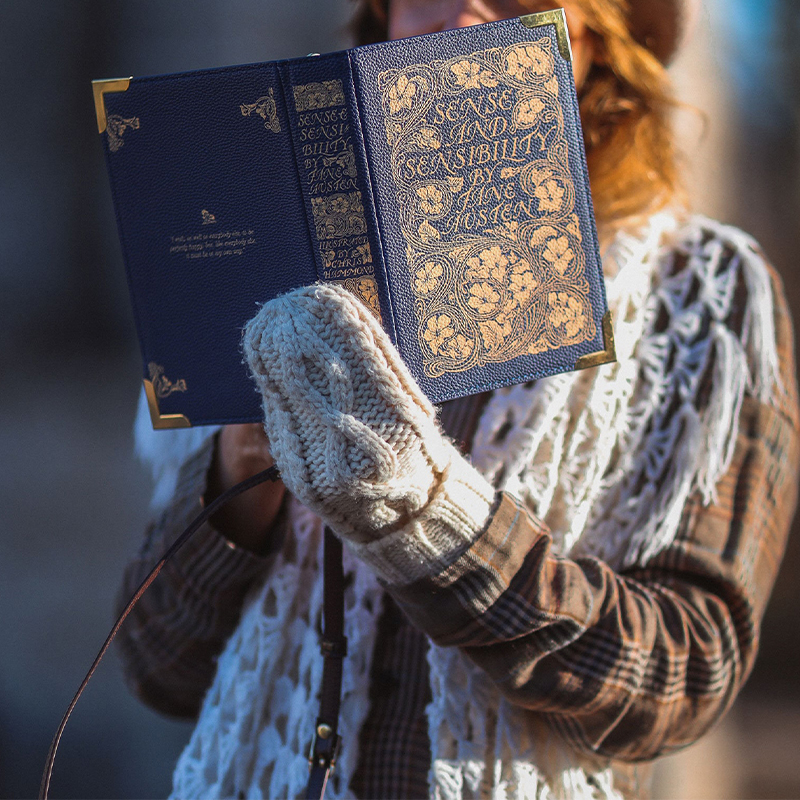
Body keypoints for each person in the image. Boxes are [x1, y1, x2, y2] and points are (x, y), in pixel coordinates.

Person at [119, 1, 800, 798]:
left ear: (598, 43)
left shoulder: (700, 294)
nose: (465, 16)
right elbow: (157, 665)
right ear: (381, 23)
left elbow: (685, 679)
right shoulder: (274, 256)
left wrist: (424, 512)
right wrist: (243, 467)